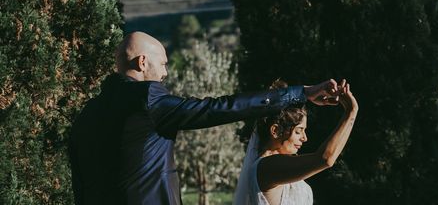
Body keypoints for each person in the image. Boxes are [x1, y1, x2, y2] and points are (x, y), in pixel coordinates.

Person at [68, 31, 340, 205]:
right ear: (142, 63)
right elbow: (218, 108)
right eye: (162, 64)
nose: (165, 73)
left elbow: (80, 185)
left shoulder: (87, 115)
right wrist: (299, 94)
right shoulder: (148, 97)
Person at [233, 80, 358, 205]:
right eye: (299, 131)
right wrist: (351, 112)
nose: (305, 138)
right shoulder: (266, 167)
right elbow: (325, 159)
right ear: (275, 130)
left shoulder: (279, 165)